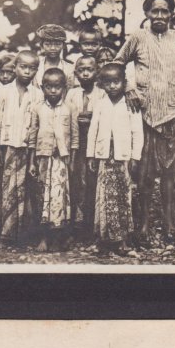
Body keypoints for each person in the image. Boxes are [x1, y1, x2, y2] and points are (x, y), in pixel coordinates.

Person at [114, 0, 175, 242]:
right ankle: (143, 225)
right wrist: (129, 88)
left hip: (173, 114)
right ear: (146, 13)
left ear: (171, 14)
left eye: (164, 11)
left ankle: (169, 221)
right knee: (144, 174)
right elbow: (116, 64)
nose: (159, 15)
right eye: (154, 10)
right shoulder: (137, 38)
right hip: (144, 114)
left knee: (170, 173)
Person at [87, 63, 143, 254]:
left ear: (124, 82)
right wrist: (91, 155)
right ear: (101, 84)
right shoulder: (101, 104)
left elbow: (138, 132)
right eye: (108, 82)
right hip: (104, 156)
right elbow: (93, 130)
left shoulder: (130, 104)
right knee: (102, 197)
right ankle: (103, 240)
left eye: (116, 82)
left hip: (122, 158)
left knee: (123, 197)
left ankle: (123, 241)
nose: (112, 86)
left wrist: (135, 157)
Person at [0, 50, 43, 244]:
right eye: (23, 67)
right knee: (8, 189)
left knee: (26, 190)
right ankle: (6, 232)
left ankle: (24, 233)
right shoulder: (3, 92)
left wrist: (33, 153)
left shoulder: (38, 94)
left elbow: (37, 125)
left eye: (32, 68)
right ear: (15, 68)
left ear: (36, 71)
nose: (27, 72)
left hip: (27, 148)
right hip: (8, 148)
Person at [28, 68, 78, 251]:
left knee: (60, 200)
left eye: (57, 87)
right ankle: (43, 237)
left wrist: (72, 160)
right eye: (49, 87)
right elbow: (32, 136)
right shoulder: (37, 108)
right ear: (43, 88)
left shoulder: (70, 108)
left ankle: (58, 238)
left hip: (61, 161)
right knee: (42, 198)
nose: (53, 91)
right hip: (43, 159)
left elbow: (74, 137)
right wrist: (32, 161)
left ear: (64, 87)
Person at [66, 55, 104, 238]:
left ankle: (93, 224)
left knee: (93, 180)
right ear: (76, 74)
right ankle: (77, 224)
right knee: (77, 180)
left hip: (95, 142)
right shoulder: (71, 94)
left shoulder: (102, 93)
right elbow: (67, 115)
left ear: (97, 72)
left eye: (90, 69)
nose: (86, 73)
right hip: (77, 142)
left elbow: (103, 116)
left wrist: (90, 117)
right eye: (82, 70)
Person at [34, 24, 74, 90]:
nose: (53, 48)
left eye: (57, 44)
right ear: (41, 45)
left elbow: (70, 93)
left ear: (63, 45)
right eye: (48, 44)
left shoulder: (70, 69)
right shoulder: (35, 66)